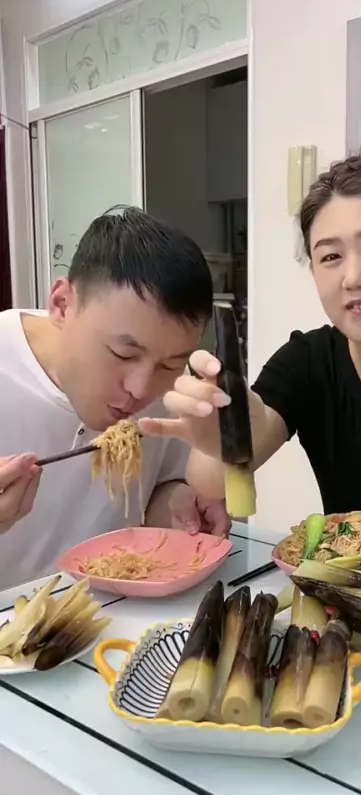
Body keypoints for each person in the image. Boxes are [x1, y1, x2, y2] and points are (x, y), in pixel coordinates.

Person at [140, 148, 361, 591]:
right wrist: (221, 432)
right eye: (331, 257)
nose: (353, 277)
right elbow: (212, 479)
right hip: (349, 611)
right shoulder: (309, 361)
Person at [0, 207, 230, 590]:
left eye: (170, 364)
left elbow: (160, 486)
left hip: (115, 612)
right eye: (124, 354)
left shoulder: (172, 391)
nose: (141, 390)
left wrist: (176, 503)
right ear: (62, 304)